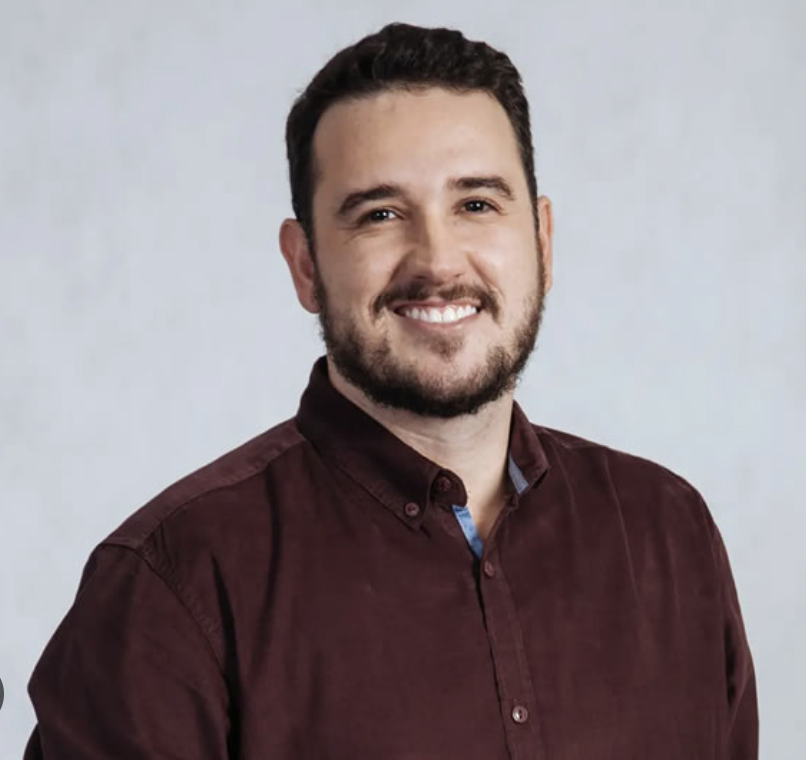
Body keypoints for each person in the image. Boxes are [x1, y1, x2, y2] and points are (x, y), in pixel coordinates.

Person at [24, 22, 758, 759]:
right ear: (306, 266)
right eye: (380, 214)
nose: (438, 261)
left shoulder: (670, 535)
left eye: (477, 204)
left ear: (541, 239)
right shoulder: (169, 590)